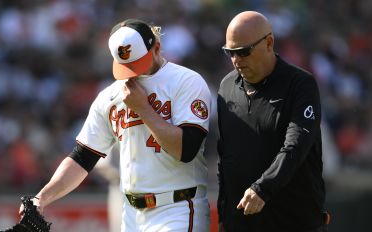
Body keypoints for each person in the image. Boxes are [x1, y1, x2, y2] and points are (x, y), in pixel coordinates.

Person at [20, 18, 212, 231]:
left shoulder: (186, 82)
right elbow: (82, 157)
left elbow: (186, 150)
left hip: (178, 209)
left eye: (137, 63)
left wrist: (144, 109)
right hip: (131, 215)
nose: (132, 72)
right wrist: (42, 197)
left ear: (157, 47)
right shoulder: (110, 96)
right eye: (125, 65)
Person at [217, 11, 327, 232]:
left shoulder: (300, 85)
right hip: (241, 224)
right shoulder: (226, 87)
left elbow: (295, 147)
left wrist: (262, 188)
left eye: (243, 52)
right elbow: (226, 156)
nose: (236, 60)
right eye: (230, 52)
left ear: (269, 43)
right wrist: (224, 214)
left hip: (294, 222)